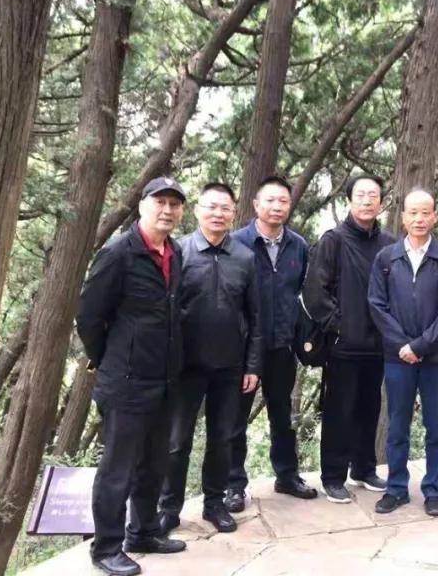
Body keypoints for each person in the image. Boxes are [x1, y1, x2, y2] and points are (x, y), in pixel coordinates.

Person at [76, 177, 189, 576]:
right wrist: (106, 358)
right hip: (126, 381)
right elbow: (89, 316)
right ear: (143, 206)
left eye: (175, 204)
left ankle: (143, 532)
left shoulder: (175, 252)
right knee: (117, 469)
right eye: (160, 202)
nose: (167, 210)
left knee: (154, 463)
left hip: (165, 379)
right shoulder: (118, 253)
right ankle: (106, 547)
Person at [157, 183, 262, 534]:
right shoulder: (178, 252)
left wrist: (252, 365)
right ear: (198, 211)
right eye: (211, 207)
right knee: (176, 441)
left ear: (234, 213)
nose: (218, 214)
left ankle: (214, 504)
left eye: (225, 208)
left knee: (223, 438)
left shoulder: (245, 258)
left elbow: (256, 316)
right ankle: (168, 508)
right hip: (184, 366)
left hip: (230, 366)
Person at [367, 188, 438, 516]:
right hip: (397, 358)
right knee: (397, 426)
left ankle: (434, 490)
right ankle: (396, 488)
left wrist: (420, 346)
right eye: (413, 213)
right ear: (403, 216)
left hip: (436, 358)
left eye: (425, 213)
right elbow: (377, 305)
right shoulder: (386, 258)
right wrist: (402, 346)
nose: (419, 219)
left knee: (436, 427)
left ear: (435, 216)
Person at [304, 174, 395, 503]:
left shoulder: (389, 244)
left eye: (373, 195)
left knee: (369, 408)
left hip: (378, 345)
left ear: (382, 202)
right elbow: (315, 292)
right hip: (343, 345)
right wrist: (339, 327)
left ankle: (364, 468)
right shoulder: (334, 240)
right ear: (349, 200)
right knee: (339, 411)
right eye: (361, 195)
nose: (367, 200)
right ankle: (333, 475)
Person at [228, 175, 316, 507]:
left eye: (283, 201)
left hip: (282, 345)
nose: (277, 206)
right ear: (256, 204)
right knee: (236, 418)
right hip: (244, 349)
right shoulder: (236, 243)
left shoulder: (298, 245)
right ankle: (233, 484)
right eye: (270, 200)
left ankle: (287, 475)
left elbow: (299, 292)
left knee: (282, 414)